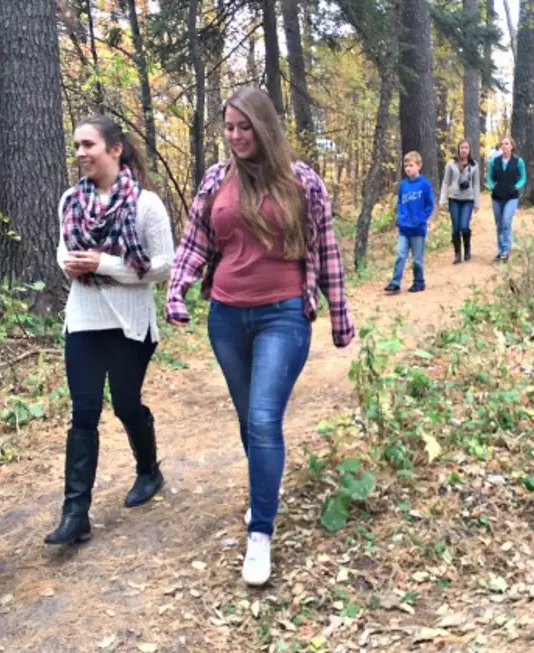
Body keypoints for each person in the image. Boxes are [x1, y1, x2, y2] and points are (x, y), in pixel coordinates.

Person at [166, 87, 354, 586]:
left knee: (265, 418)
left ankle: (261, 533)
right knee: (250, 421)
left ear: (264, 127)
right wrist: (178, 290)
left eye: (244, 127)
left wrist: (339, 313)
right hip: (227, 317)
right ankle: (264, 490)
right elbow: (195, 241)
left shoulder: (302, 181)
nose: (235, 136)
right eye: (228, 127)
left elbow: (326, 247)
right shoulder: (214, 180)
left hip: (284, 314)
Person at [45, 116, 175, 546]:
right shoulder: (70, 200)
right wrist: (74, 264)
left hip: (130, 324)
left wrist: (103, 265)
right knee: (83, 411)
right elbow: (64, 252)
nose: (81, 153)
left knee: (124, 404)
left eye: (89, 145)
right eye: (77, 145)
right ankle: (75, 512)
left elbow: (163, 266)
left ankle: (148, 470)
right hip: (83, 319)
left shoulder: (145, 205)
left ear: (115, 149)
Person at [384, 151, 434, 293]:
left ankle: (419, 281)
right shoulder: (403, 185)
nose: (408, 168)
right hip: (404, 228)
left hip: (418, 228)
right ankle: (395, 282)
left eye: (411, 165)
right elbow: (400, 202)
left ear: (419, 166)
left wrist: (421, 218)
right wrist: (400, 216)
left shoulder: (424, 184)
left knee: (417, 259)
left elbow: (430, 205)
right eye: (406, 165)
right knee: (400, 254)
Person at [438, 140, 481, 264]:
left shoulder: (474, 165)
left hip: (468, 199)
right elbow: (446, 182)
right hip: (454, 198)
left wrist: (477, 203)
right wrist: (443, 199)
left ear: (469, 150)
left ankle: (467, 247)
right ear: (458, 149)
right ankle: (457, 253)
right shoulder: (451, 164)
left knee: (464, 226)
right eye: (462, 147)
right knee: (455, 228)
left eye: (466, 148)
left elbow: (476, 184)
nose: (464, 150)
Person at [486, 137, 526, 262]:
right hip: (497, 197)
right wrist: (493, 187)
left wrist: (516, 187)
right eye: (502, 144)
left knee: (506, 221)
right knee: (499, 224)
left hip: (511, 197)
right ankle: (500, 251)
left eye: (506, 144)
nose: (504, 146)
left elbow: (523, 178)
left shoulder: (518, 161)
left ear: (512, 147)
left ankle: (506, 251)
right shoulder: (494, 161)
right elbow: (489, 177)